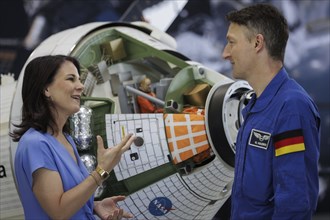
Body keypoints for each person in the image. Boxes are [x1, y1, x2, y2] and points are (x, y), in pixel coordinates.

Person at [222, 4, 321, 219]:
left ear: (257, 43)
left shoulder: (291, 108)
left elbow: (295, 203)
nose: (225, 53)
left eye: (231, 43)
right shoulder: (256, 106)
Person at [10, 55, 136, 219]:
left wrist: (93, 205)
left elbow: (70, 198)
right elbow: (59, 211)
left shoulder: (65, 139)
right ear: (46, 89)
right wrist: (102, 170)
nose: (81, 86)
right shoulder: (35, 144)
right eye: (71, 79)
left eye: (79, 79)